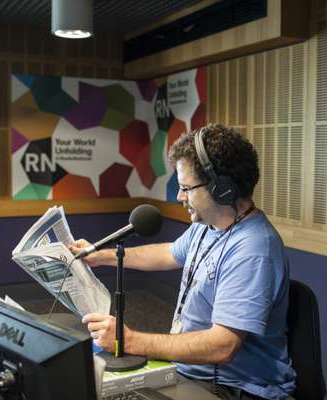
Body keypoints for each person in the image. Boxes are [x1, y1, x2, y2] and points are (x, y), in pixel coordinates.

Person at [70, 123, 296, 400]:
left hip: (235, 388)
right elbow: (169, 253)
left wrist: (129, 340)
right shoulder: (209, 225)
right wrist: (101, 256)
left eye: (186, 188)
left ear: (222, 189)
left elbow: (222, 346)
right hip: (192, 371)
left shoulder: (253, 249)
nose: (179, 197)